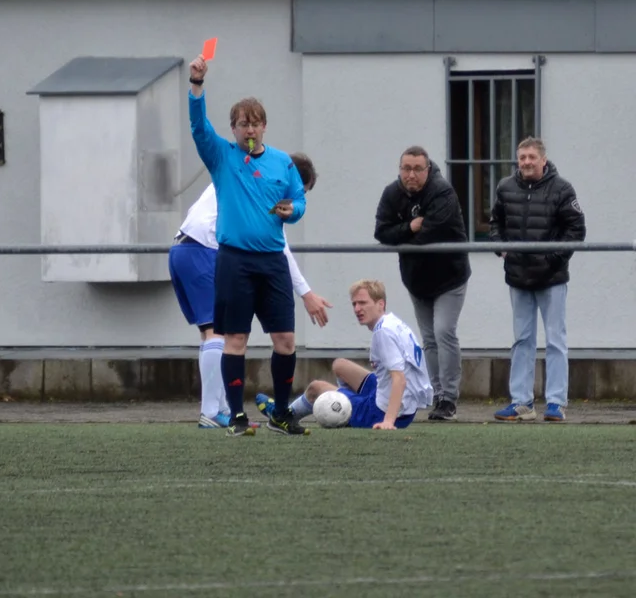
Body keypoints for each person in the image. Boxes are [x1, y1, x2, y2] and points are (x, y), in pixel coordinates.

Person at [187, 54, 312, 437]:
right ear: (234, 129)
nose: (250, 130)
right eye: (243, 124)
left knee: (285, 340)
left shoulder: (282, 163)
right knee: (235, 338)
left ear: (265, 126)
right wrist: (197, 85)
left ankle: (281, 414)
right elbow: (198, 127)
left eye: (256, 123)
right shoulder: (223, 156)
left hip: (272, 261)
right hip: (234, 261)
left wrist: (293, 210)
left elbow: (299, 200)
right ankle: (237, 417)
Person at [169, 153, 332, 429]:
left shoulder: (249, 173)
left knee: (211, 333)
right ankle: (212, 412)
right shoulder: (266, 186)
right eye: (299, 193)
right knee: (217, 333)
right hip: (204, 249)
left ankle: (219, 409)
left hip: (183, 249)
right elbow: (279, 247)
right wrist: (306, 293)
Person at [490, 137, 585, 422]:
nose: (527, 162)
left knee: (555, 340)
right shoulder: (505, 187)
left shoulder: (563, 189)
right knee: (522, 340)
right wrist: (500, 248)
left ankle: (556, 403)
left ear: (543, 160)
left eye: (532, 157)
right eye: (522, 157)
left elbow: (576, 230)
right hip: (518, 277)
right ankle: (522, 403)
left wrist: (552, 259)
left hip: (552, 278)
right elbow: (495, 224)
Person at [374, 145, 470, 421]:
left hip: (450, 277)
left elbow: (429, 235)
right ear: (400, 169)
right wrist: (409, 227)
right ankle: (436, 395)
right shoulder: (392, 193)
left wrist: (404, 235)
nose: (411, 174)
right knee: (428, 339)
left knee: (443, 331)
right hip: (417, 280)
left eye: (417, 169)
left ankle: (449, 398)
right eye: (406, 168)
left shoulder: (442, 192)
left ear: (427, 170)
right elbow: (381, 232)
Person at [257, 279, 433, 429]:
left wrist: (388, 421)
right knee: (340, 365)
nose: (357, 309)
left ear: (381, 304)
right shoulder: (392, 322)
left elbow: (399, 379)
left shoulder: (383, 332)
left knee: (316, 388)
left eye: (363, 303)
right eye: (354, 304)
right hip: (398, 401)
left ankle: (282, 416)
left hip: (383, 412)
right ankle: (348, 405)